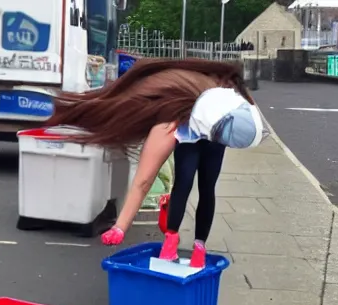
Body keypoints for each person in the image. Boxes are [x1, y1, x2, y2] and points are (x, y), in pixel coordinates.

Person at [49, 58, 265, 267]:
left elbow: (248, 114)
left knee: (205, 187)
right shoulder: (172, 118)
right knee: (184, 182)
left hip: (217, 125)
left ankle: (199, 245)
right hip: (192, 122)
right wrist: (121, 227)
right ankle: (172, 239)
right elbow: (144, 179)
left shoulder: (226, 107)